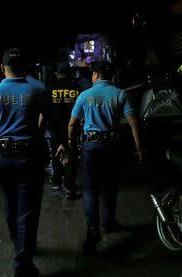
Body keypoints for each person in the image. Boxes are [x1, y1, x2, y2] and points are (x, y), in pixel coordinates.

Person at [0, 48, 66, 277]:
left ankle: (20, 245)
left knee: (10, 204)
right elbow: (54, 122)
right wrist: (65, 143)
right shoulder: (39, 90)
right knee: (28, 211)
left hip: (3, 158)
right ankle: (22, 262)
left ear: (2, 68)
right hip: (29, 157)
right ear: (24, 68)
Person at [68, 61, 142, 254]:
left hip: (91, 146)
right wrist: (138, 148)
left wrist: (69, 142)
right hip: (112, 146)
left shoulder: (85, 95)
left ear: (95, 75)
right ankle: (108, 223)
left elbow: (73, 123)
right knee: (110, 185)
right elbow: (133, 121)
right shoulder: (120, 94)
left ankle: (92, 231)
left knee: (90, 190)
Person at [46, 62, 82, 200]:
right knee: (71, 157)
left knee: (56, 154)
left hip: (54, 129)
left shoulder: (50, 89)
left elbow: (44, 113)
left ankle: (56, 183)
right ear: (70, 73)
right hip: (71, 129)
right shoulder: (77, 89)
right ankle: (69, 187)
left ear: (56, 73)